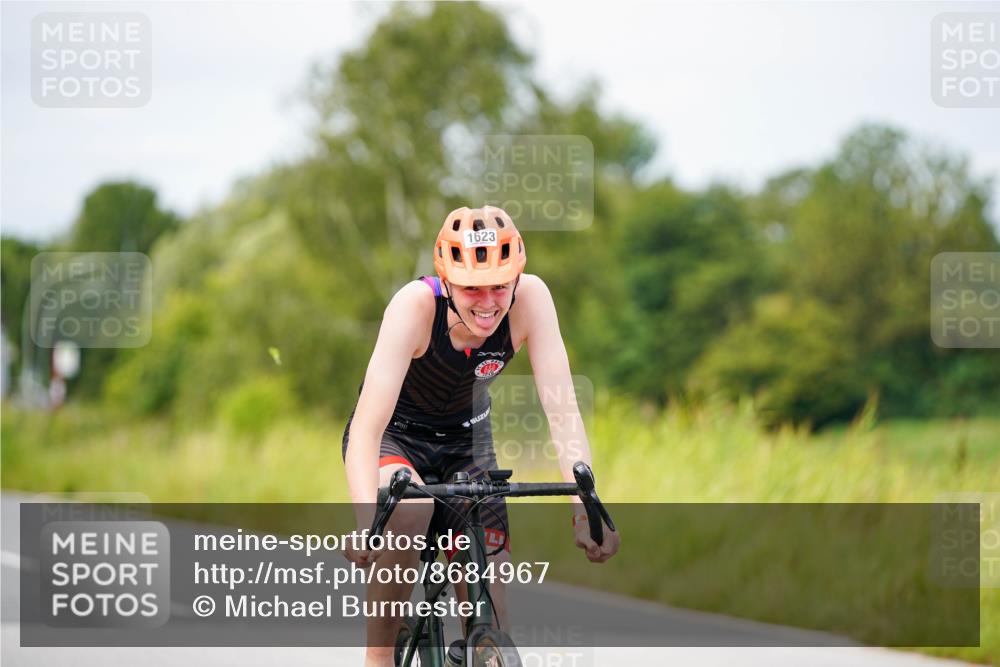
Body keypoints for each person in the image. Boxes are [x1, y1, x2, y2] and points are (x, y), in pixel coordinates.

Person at [342, 205, 620, 667]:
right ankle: (379, 657)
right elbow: (366, 429)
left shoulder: (532, 299)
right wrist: (366, 522)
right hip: (396, 437)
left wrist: (584, 507)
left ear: (517, 278)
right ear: (447, 281)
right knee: (411, 508)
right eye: (472, 287)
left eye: (500, 285)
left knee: (492, 602)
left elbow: (562, 411)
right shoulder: (414, 308)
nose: (488, 302)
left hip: (467, 442)